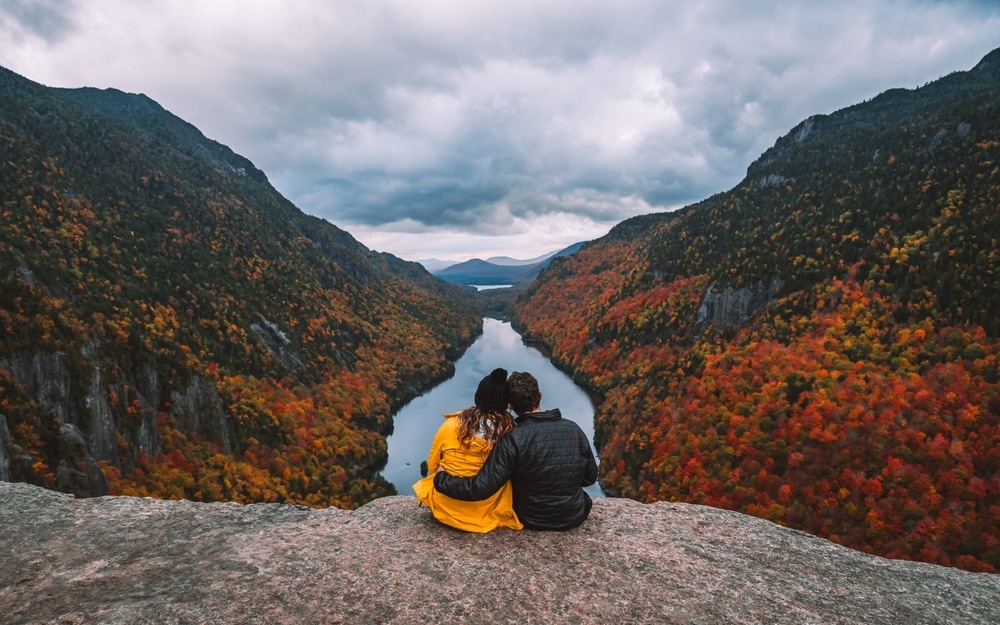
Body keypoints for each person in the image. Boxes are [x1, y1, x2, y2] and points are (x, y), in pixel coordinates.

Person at [434, 371, 598, 530]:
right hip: (573, 515)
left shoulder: (512, 438)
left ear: (510, 405)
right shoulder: (573, 429)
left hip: (531, 517)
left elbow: (481, 488)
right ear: (540, 395)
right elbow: (590, 478)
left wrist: (441, 479)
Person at [412, 368, 524, 533]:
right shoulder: (510, 434)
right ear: (505, 404)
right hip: (487, 511)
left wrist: (440, 476)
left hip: (445, 506)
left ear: (478, 398)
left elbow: (433, 464)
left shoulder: (450, 426)